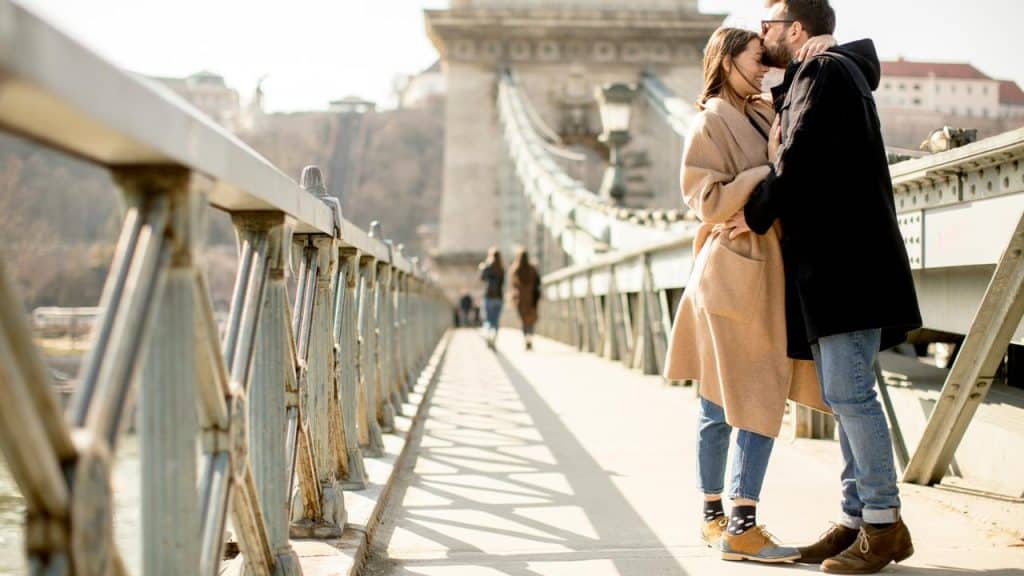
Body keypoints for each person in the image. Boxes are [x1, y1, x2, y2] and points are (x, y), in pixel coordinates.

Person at [728, 1, 923, 573]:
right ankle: (856, 520)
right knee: (845, 396)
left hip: (845, 266)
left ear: (795, 28)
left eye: (767, 25)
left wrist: (755, 211)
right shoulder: (820, 72)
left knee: (851, 396)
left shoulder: (823, 71)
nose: (761, 34)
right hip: (838, 267)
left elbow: (800, 157)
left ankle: (882, 525)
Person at [664, 26, 833, 564]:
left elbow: (804, 155)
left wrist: (824, 46)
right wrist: (765, 174)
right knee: (749, 395)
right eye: (757, 60)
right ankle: (738, 524)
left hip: (763, 269)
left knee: (727, 400)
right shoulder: (709, 122)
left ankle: (717, 517)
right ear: (727, 61)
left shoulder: (764, 111)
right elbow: (706, 200)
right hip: (732, 272)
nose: (765, 69)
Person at [508, 248, 541, 350]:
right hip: (531, 298)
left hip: (520, 299)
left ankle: (526, 337)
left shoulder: (515, 269)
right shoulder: (532, 268)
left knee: (523, 320)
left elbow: (513, 285)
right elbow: (538, 282)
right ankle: (530, 337)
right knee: (531, 319)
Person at [478, 247, 505, 349]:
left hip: (489, 296)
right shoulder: (501, 269)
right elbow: (502, 283)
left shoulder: (488, 267)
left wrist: (482, 267)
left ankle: (488, 334)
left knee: (488, 319)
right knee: (495, 320)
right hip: (499, 297)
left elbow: (482, 278)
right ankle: (494, 336)